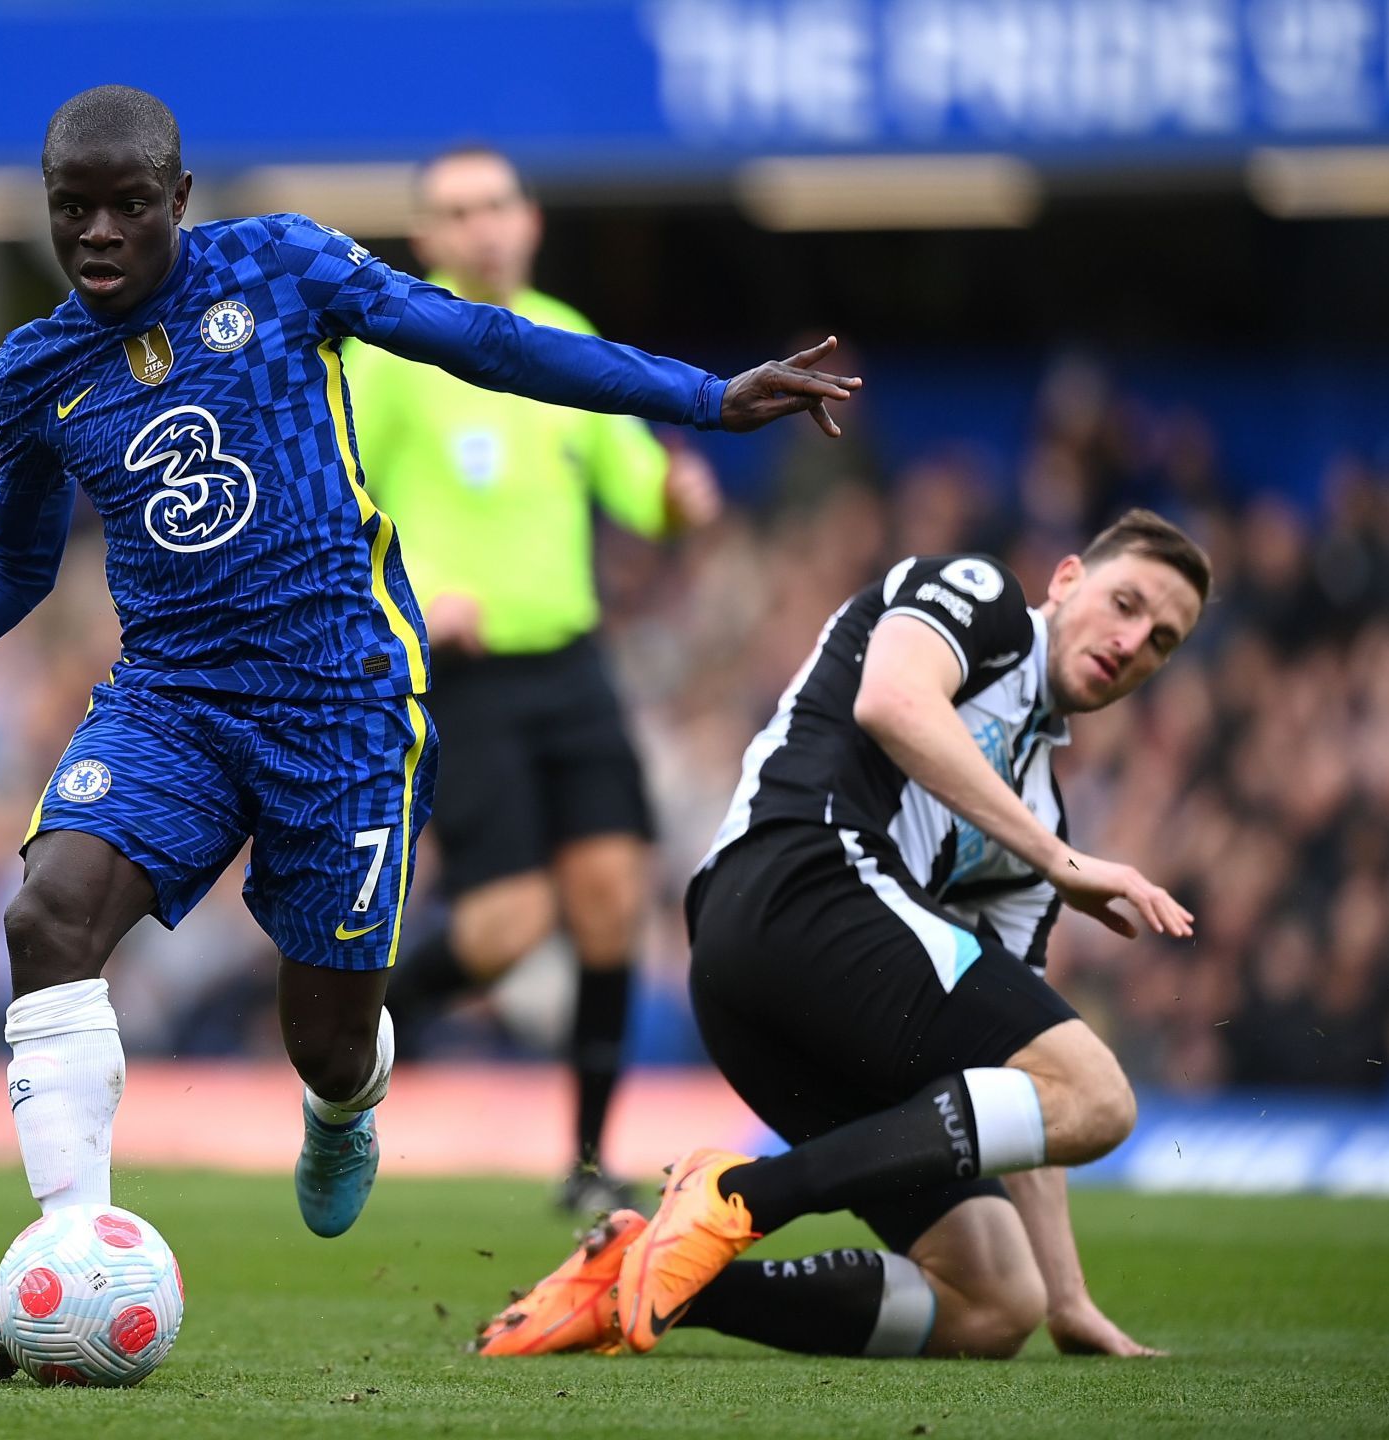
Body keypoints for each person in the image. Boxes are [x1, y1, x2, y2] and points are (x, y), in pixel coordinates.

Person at [0, 84, 863, 1380]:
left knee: (322, 1035)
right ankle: (65, 1261)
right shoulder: (36, 371)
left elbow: (482, 338)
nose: (95, 232)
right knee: (48, 916)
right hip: (174, 701)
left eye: (125, 205)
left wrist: (701, 397)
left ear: (179, 201)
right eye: (68, 209)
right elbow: (12, 566)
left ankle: (343, 1100)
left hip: (346, 704)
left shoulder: (282, 265)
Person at [478, 510, 1209, 1361]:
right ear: (1067, 578)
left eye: (1162, 640)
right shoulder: (985, 600)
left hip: (782, 997)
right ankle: (744, 1195)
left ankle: (636, 1280)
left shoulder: (1036, 811)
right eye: (1125, 604)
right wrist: (1059, 860)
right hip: (796, 877)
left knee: (996, 1301)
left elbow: (1026, 1076)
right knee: (1107, 1098)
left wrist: (1067, 1297)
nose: (1134, 642)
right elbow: (891, 699)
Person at [346, 146, 721, 1213]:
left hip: (571, 663)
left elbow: (634, 477)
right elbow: (333, 496)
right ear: (427, 239)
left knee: (611, 906)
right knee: (506, 930)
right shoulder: (393, 351)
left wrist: (678, 496)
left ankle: (591, 1167)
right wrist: (413, 597)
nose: (481, 227)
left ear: (532, 218)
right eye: (456, 212)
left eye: (496, 205)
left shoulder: (565, 337)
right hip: (461, 676)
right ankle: (356, 1040)